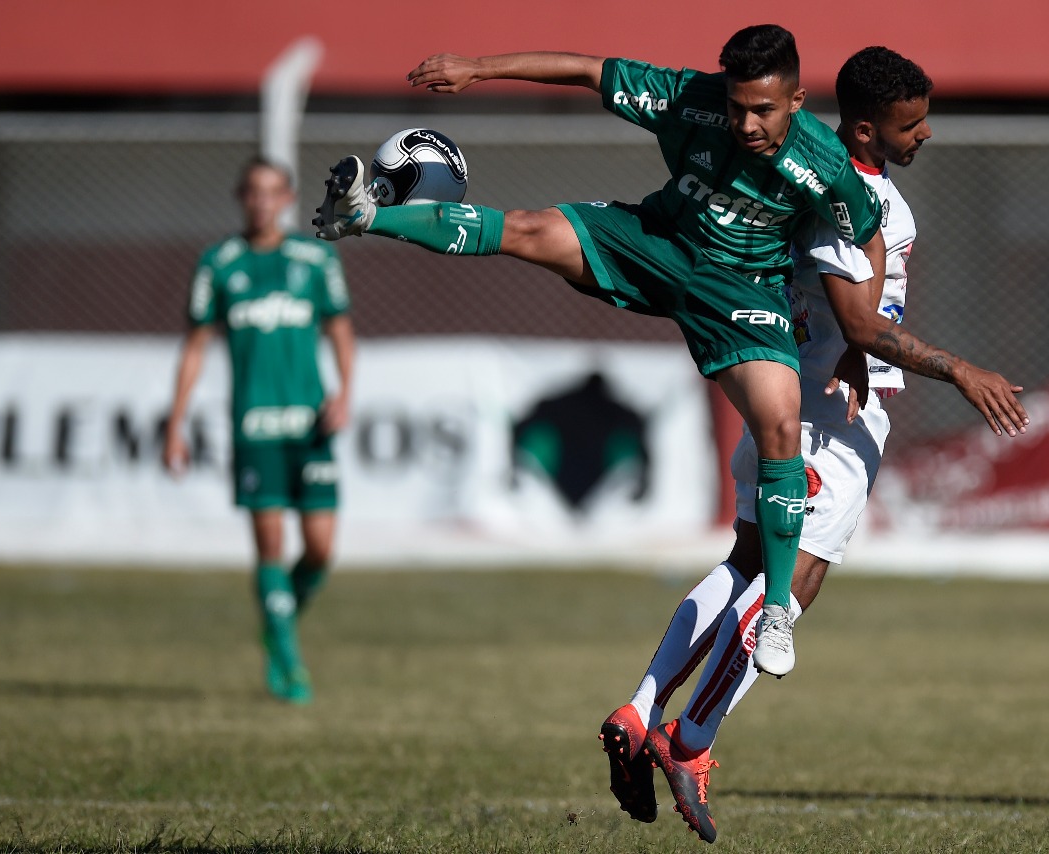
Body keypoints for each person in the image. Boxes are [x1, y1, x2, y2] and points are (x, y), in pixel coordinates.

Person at [314, 24, 888, 680]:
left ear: (795, 99)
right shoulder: (689, 99)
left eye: (762, 109)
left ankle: (777, 611)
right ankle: (363, 216)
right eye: (736, 107)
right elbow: (589, 70)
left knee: (780, 426)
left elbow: (866, 237)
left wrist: (859, 336)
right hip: (656, 241)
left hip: (742, 291)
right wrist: (480, 66)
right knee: (526, 229)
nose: (746, 123)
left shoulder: (825, 163)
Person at [598, 47, 1030, 843]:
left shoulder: (799, 170)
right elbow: (861, 320)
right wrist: (959, 369)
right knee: (787, 589)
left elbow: (829, 303)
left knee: (742, 568)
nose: (926, 132)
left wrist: (855, 348)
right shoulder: (856, 195)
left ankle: (639, 706)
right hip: (827, 419)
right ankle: (688, 742)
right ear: (867, 128)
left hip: (784, 389)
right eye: (913, 122)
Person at [165, 156, 355, 705]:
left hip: (311, 424)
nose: (263, 201)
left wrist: (345, 393)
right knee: (271, 544)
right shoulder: (219, 264)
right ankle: (290, 663)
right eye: (253, 191)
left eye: (273, 192)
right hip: (255, 426)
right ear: (241, 197)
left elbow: (341, 330)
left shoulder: (316, 259)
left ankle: (278, 623)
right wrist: (175, 423)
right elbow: (195, 348)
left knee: (320, 550)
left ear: (288, 197)